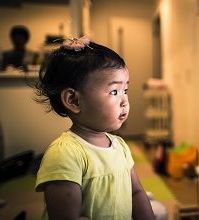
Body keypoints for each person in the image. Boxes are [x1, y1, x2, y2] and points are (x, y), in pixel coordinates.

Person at [32, 36, 154, 219]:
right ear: (73, 100)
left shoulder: (119, 146)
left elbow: (135, 193)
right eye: (114, 91)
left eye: (125, 90)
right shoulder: (65, 154)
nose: (124, 101)